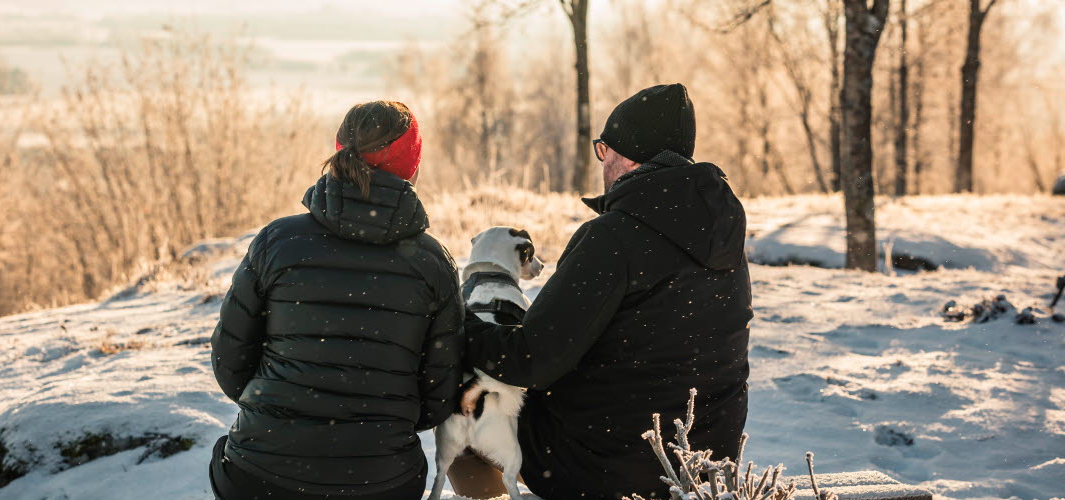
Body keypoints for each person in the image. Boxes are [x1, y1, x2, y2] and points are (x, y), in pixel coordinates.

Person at [450, 83, 753, 499]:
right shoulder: (724, 234)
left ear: (625, 155)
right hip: (704, 462)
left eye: (603, 149)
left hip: (609, 465)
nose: (601, 161)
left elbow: (531, 360)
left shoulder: (612, 238)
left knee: (469, 404)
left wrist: (457, 326)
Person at [208, 101, 464, 500]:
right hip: (382, 482)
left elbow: (230, 359)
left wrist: (277, 411)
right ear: (411, 167)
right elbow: (438, 395)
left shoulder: (278, 242)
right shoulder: (432, 264)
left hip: (261, 476)